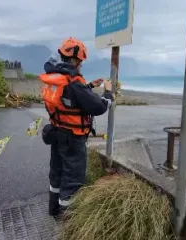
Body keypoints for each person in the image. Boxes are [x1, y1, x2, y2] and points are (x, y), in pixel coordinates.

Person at [39, 37, 113, 217]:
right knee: (73, 178)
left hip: (57, 132)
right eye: (80, 62)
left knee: (56, 171)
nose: (81, 65)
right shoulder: (73, 81)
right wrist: (108, 92)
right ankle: (69, 220)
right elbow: (98, 107)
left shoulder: (57, 78)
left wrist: (88, 86)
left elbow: (69, 99)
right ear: (74, 60)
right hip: (73, 138)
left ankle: (54, 209)